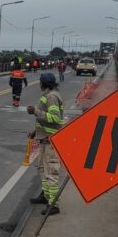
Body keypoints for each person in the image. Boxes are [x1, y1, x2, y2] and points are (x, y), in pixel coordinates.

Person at [27, 73, 65, 215]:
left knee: (51, 172)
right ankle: (46, 196)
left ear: (44, 83)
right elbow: (45, 120)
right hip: (44, 139)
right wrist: (35, 133)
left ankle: (54, 205)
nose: (39, 84)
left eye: (40, 82)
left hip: (51, 141)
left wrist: (35, 111)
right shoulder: (48, 95)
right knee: (43, 169)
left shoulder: (52, 97)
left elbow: (55, 118)